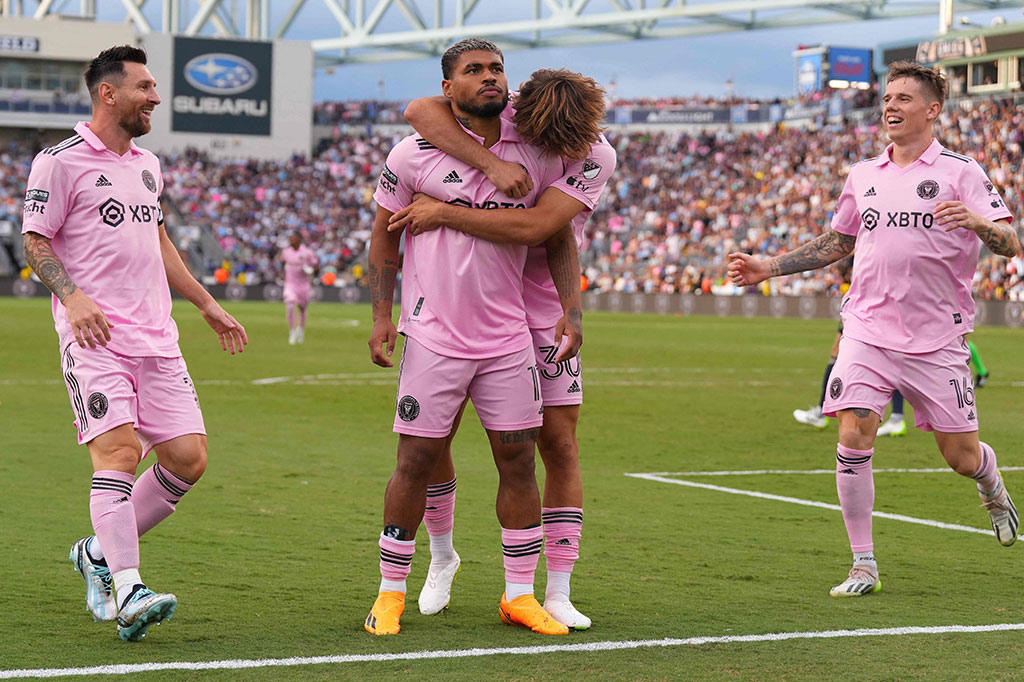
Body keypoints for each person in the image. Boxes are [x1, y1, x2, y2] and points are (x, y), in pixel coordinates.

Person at [728, 61, 1019, 598]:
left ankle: (990, 483)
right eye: (887, 97)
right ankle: (863, 564)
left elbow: (1010, 242)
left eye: (904, 98)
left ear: (932, 110)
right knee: (853, 433)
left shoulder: (961, 171)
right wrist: (768, 267)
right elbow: (839, 242)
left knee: (961, 457)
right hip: (866, 329)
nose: (891, 106)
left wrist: (978, 222)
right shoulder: (863, 175)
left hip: (937, 338)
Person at [21, 45, 247, 642]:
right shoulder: (58, 162)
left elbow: (159, 241)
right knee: (119, 453)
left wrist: (206, 303)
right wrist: (72, 297)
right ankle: (128, 589)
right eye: (144, 87)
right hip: (95, 338)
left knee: (188, 459)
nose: (155, 97)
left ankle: (97, 552)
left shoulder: (149, 165)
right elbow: (35, 242)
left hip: (158, 339)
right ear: (108, 93)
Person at [390, 68, 616, 629]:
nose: (542, 149)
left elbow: (540, 228)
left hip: (541, 310)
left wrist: (443, 212)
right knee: (433, 441)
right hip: (465, 303)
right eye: (536, 135)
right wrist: (491, 165)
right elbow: (419, 110)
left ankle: (556, 589)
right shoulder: (511, 109)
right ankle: (442, 555)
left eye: (556, 144)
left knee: (558, 445)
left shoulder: (596, 154)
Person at [364, 38, 575, 637]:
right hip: (433, 335)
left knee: (519, 460)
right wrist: (381, 316)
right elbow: (383, 235)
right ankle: (390, 592)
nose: (489, 77)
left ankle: (519, 595)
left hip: (508, 338)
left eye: (497, 68)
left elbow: (557, 234)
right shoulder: (411, 154)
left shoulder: (536, 152)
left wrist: (571, 310)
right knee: (415, 461)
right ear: (447, 87)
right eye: (474, 70)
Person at [794, 324, 908, 437]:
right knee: (890, 355)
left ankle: (820, 414)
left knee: (838, 352)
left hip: (864, 316)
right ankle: (897, 417)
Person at [280, 231, 318, 345]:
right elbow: (282, 262)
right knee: (290, 304)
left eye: (293, 238)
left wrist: (311, 270)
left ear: (298, 240)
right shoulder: (286, 252)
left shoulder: (307, 252)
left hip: (303, 284)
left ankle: (300, 330)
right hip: (290, 283)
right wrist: (283, 273)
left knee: (302, 308)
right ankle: (292, 331)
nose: (291, 241)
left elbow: (316, 266)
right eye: (290, 238)